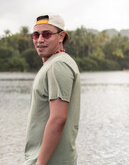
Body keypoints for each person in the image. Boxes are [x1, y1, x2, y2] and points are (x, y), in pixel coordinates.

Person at [24, 14, 81, 165]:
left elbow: (58, 119)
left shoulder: (58, 65)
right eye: (36, 35)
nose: (40, 39)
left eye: (47, 34)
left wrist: (40, 163)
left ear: (61, 36)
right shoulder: (55, 63)